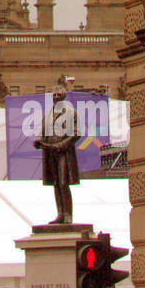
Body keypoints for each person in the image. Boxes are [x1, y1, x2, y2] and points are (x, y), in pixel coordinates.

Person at [34, 79, 80, 224]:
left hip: (63, 153)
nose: (56, 98)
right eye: (54, 95)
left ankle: (68, 214)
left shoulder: (71, 113)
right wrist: (39, 141)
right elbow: (42, 133)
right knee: (55, 183)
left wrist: (62, 144)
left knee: (63, 182)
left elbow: (77, 133)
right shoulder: (47, 115)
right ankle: (60, 213)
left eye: (59, 95)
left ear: (63, 97)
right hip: (50, 153)